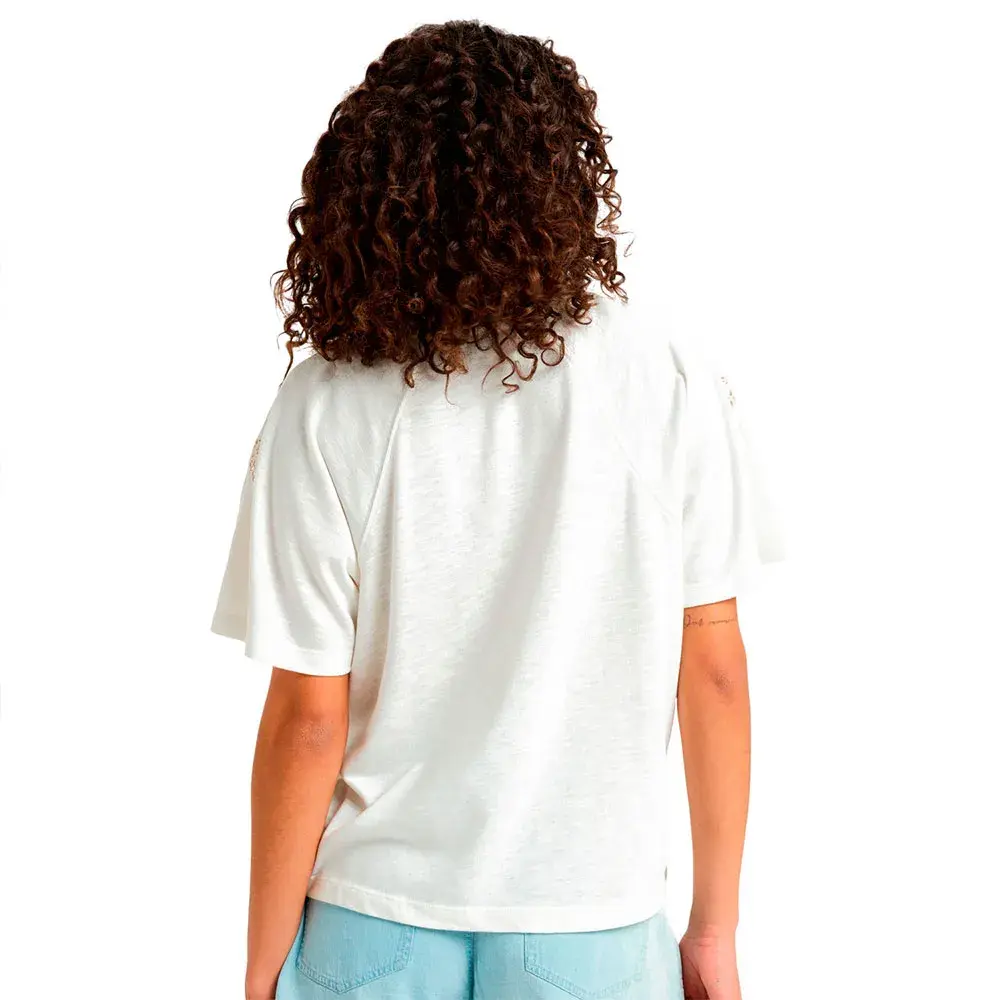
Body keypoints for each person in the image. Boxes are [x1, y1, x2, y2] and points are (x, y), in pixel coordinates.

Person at [209, 19, 784, 1000]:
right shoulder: (667, 379)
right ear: (562, 179)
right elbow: (715, 671)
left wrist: (263, 970)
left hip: (372, 924)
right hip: (591, 926)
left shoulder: (327, 402)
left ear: (367, 194)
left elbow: (308, 719)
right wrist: (715, 933)